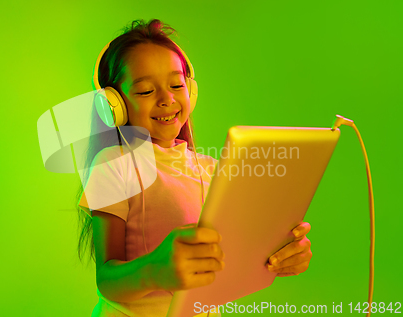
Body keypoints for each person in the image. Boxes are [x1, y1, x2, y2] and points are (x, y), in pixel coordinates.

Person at [76, 19, 313, 317]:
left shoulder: (214, 170)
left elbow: (235, 256)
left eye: (176, 85)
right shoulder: (113, 164)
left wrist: (282, 253)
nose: (167, 99)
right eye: (146, 91)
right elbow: (107, 280)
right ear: (114, 104)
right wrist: (153, 271)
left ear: (192, 91)